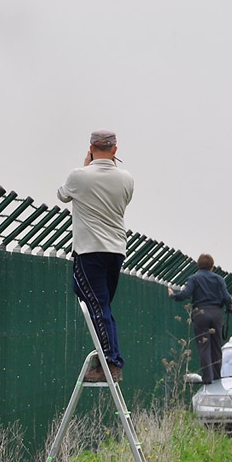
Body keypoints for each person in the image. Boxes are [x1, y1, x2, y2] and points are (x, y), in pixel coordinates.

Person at [57, 130, 134, 383]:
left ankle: (111, 361)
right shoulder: (126, 179)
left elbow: (63, 195)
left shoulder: (79, 176)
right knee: (103, 306)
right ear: (115, 149)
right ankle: (108, 358)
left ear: (91, 148)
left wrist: (84, 166)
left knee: (94, 303)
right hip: (116, 250)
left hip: (89, 249)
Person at [167, 254, 232, 384]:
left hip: (201, 313)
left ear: (198, 265)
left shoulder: (194, 278)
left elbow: (186, 294)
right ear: (212, 266)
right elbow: (226, 297)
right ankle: (217, 376)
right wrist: (230, 306)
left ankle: (207, 377)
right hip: (216, 313)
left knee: (203, 346)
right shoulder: (219, 279)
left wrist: (173, 296)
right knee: (216, 346)